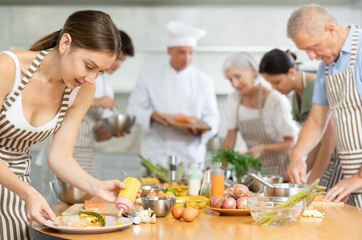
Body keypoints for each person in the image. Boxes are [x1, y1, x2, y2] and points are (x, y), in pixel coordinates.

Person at [0, 10, 131, 239]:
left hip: (16, 180)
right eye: (89, 66)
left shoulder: (83, 89)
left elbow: (60, 157)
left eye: (101, 71)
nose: (93, 79)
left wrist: (96, 187)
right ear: (65, 43)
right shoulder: (7, 67)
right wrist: (28, 193)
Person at [286, 4, 362, 207]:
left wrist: (359, 178)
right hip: (353, 183)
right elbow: (317, 121)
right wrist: (297, 154)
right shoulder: (326, 67)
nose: (311, 56)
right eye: (305, 51)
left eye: (313, 47)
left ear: (330, 29)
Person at [127, 21, 219, 170]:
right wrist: (151, 116)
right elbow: (133, 110)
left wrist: (200, 130)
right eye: (182, 52)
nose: (187, 58)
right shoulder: (149, 76)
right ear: (169, 51)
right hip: (157, 154)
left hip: (190, 156)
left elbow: (212, 117)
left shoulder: (204, 81)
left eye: (191, 52)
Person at [259, 49, 342, 188]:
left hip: (335, 163)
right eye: (270, 84)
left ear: (291, 72)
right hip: (325, 162)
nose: (274, 88)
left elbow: (328, 143)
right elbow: (315, 143)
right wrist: (301, 174)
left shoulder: (314, 87)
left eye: (276, 82)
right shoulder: (296, 94)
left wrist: (309, 184)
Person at [222, 52, 298, 176]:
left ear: (252, 71)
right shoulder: (234, 99)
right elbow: (230, 137)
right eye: (230, 79)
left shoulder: (275, 100)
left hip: (280, 174)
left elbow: (291, 141)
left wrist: (262, 148)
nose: (234, 84)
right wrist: (221, 171)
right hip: (253, 173)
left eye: (238, 76)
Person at [74, 30, 134, 176]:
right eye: (118, 58)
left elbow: (98, 135)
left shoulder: (108, 85)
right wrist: (96, 102)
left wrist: (113, 131)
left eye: (122, 60)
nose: (119, 64)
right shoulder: (82, 74)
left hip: (86, 149)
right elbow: (64, 102)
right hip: (66, 147)